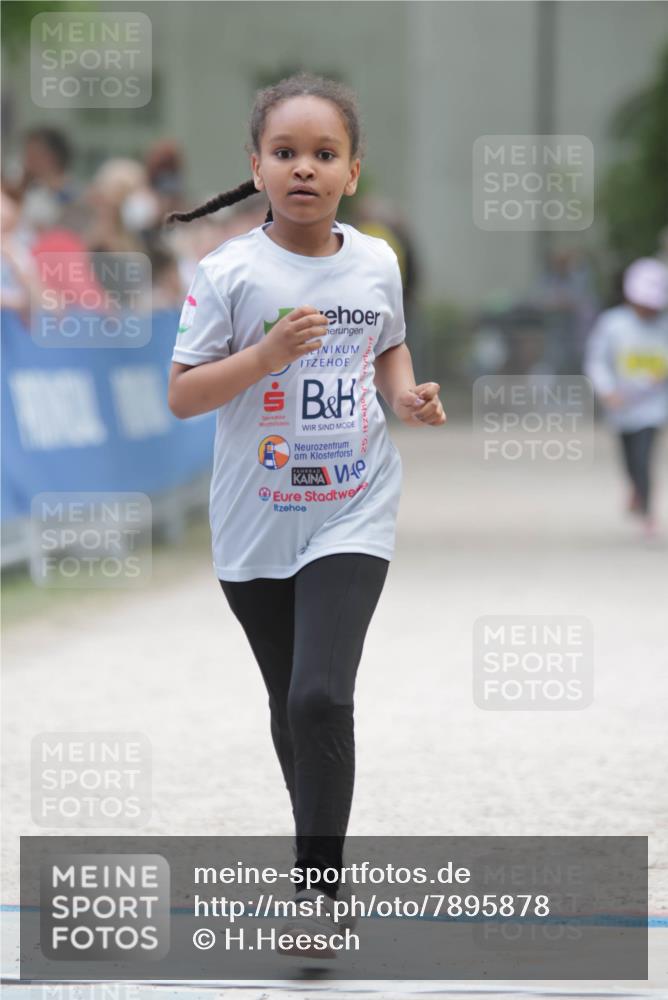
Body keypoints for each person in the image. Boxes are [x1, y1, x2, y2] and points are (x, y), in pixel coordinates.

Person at [165, 71, 446, 958]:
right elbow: (181, 395)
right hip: (254, 525)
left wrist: (403, 398)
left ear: (352, 172)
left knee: (323, 695)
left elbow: (388, 341)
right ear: (256, 165)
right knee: (293, 709)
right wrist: (265, 354)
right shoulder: (230, 273)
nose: (304, 169)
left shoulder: (376, 261)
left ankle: (317, 895)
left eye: (324, 154)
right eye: (285, 153)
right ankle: (317, 860)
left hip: (353, 507)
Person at [584, 256, 668, 540]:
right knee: (630, 460)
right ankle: (635, 489)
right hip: (621, 407)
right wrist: (607, 390)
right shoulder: (613, 324)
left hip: (653, 407)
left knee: (644, 457)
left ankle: (648, 512)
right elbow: (597, 361)